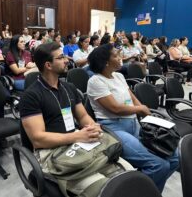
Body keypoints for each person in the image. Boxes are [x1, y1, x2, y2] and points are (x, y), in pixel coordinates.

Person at [20, 42, 130, 197]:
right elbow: (38, 139)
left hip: (78, 143)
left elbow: (83, 116)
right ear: (48, 65)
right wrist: (78, 136)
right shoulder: (31, 96)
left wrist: (92, 126)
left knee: (128, 177)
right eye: (61, 57)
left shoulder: (69, 88)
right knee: (106, 189)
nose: (66, 60)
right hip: (51, 153)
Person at [87, 44, 179, 192]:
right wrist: (140, 109)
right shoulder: (96, 81)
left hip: (133, 123)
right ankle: (144, 191)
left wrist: (146, 116)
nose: (120, 58)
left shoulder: (119, 76)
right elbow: (115, 109)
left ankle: (145, 189)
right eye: (116, 56)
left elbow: (132, 97)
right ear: (106, 62)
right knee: (158, 165)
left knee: (174, 158)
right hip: (113, 127)